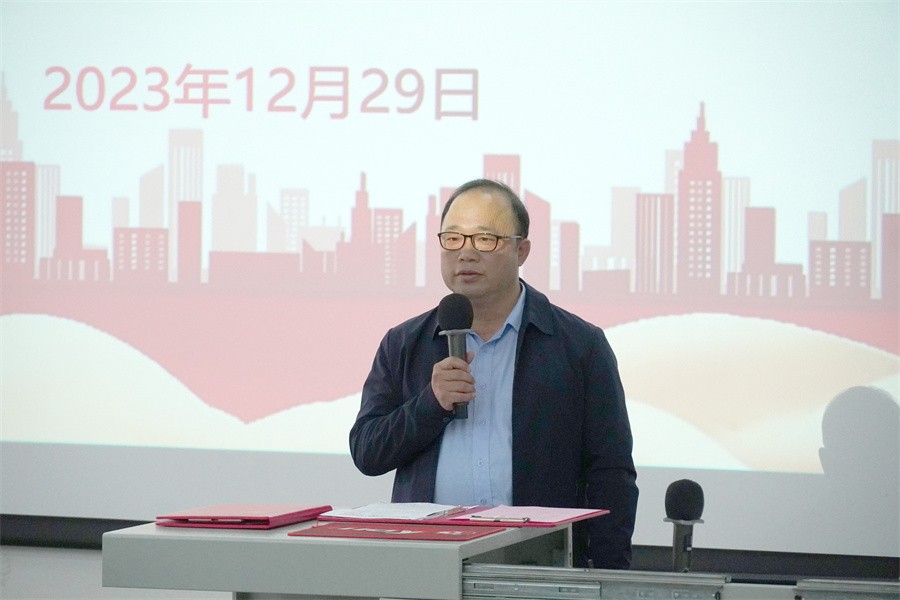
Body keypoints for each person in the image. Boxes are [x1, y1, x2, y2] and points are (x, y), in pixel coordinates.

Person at [349, 178, 639, 569]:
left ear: (522, 251)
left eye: (485, 239)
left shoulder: (578, 346)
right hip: (426, 566)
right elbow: (367, 451)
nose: (465, 253)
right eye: (452, 239)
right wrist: (430, 404)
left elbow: (611, 474)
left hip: (538, 566)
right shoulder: (404, 343)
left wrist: (607, 577)